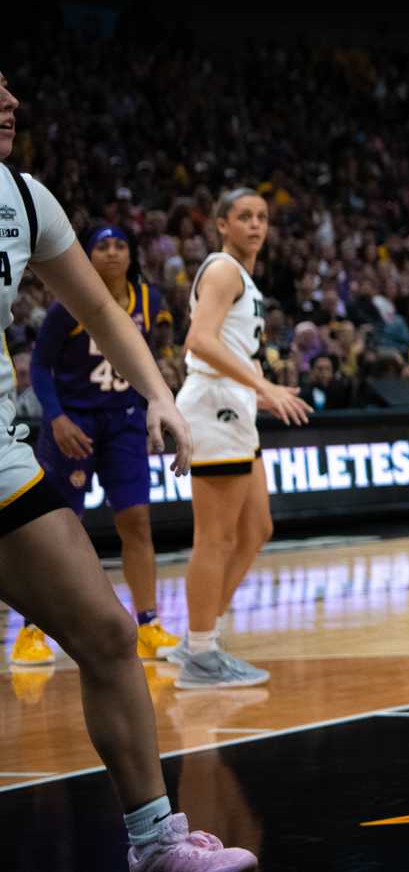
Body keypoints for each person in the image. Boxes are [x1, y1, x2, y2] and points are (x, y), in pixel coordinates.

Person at [0, 71, 260, 867]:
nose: (11, 103)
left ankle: (156, 845)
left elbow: (103, 310)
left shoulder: (23, 195)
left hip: (0, 458)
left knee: (109, 634)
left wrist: (160, 397)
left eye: (13, 90)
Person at [10, 226, 178, 668]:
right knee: (56, 531)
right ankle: (29, 632)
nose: (112, 253)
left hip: (124, 421)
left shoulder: (150, 301)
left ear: (132, 253)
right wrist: (57, 418)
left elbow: (150, 356)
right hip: (75, 422)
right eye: (101, 246)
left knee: (138, 521)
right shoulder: (70, 304)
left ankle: (148, 623)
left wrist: (153, 403)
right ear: (85, 254)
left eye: (120, 245)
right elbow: (41, 368)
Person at [174, 188, 312, 691]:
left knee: (256, 528)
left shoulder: (243, 278)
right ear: (221, 225)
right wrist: (262, 384)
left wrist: (260, 386)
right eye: (244, 217)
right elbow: (199, 340)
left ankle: (198, 636)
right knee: (215, 538)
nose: (255, 225)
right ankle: (202, 652)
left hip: (234, 407)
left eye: (262, 217)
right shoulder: (223, 270)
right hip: (215, 405)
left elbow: (227, 343)